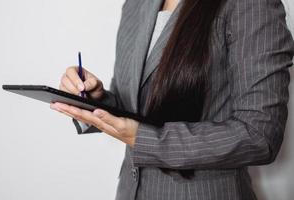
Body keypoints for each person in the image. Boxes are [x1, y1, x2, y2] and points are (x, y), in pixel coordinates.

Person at [50, 0, 294, 199]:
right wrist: (97, 98)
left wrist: (142, 138)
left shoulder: (251, 5)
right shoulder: (136, 5)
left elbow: (260, 135)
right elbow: (133, 105)